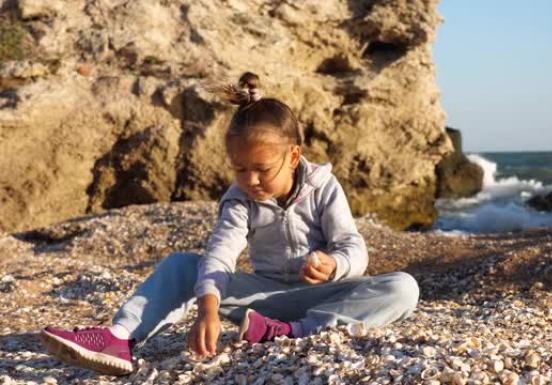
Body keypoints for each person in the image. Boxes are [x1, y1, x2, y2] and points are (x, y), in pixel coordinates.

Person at [40, 72, 420, 375]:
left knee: (403, 288)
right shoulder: (239, 199)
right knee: (182, 265)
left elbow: (354, 248)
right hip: (260, 300)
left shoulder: (323, 186)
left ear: (293, 156)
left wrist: (334, 264)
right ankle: (119, 337)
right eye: (240, 169)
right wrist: (208, 310)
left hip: (322, 298)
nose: (251, 179)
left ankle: (291, 333)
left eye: (262, 169)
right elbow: (220, 255)